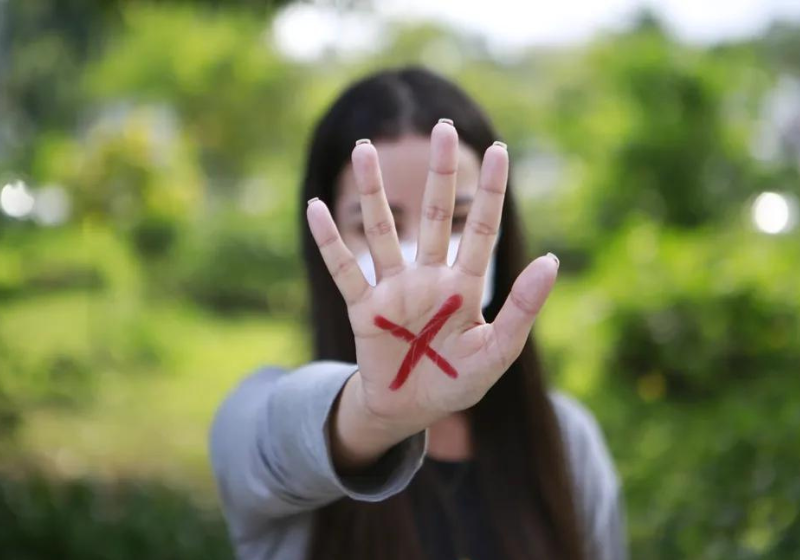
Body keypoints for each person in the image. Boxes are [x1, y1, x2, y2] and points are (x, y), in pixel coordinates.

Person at [209, 66, 626, 560]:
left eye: (459, 219)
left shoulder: (565, 441)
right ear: (327, 242)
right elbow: (274, 443)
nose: (417, 265)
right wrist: (371, 416)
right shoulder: (257, 423)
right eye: (377, 223)